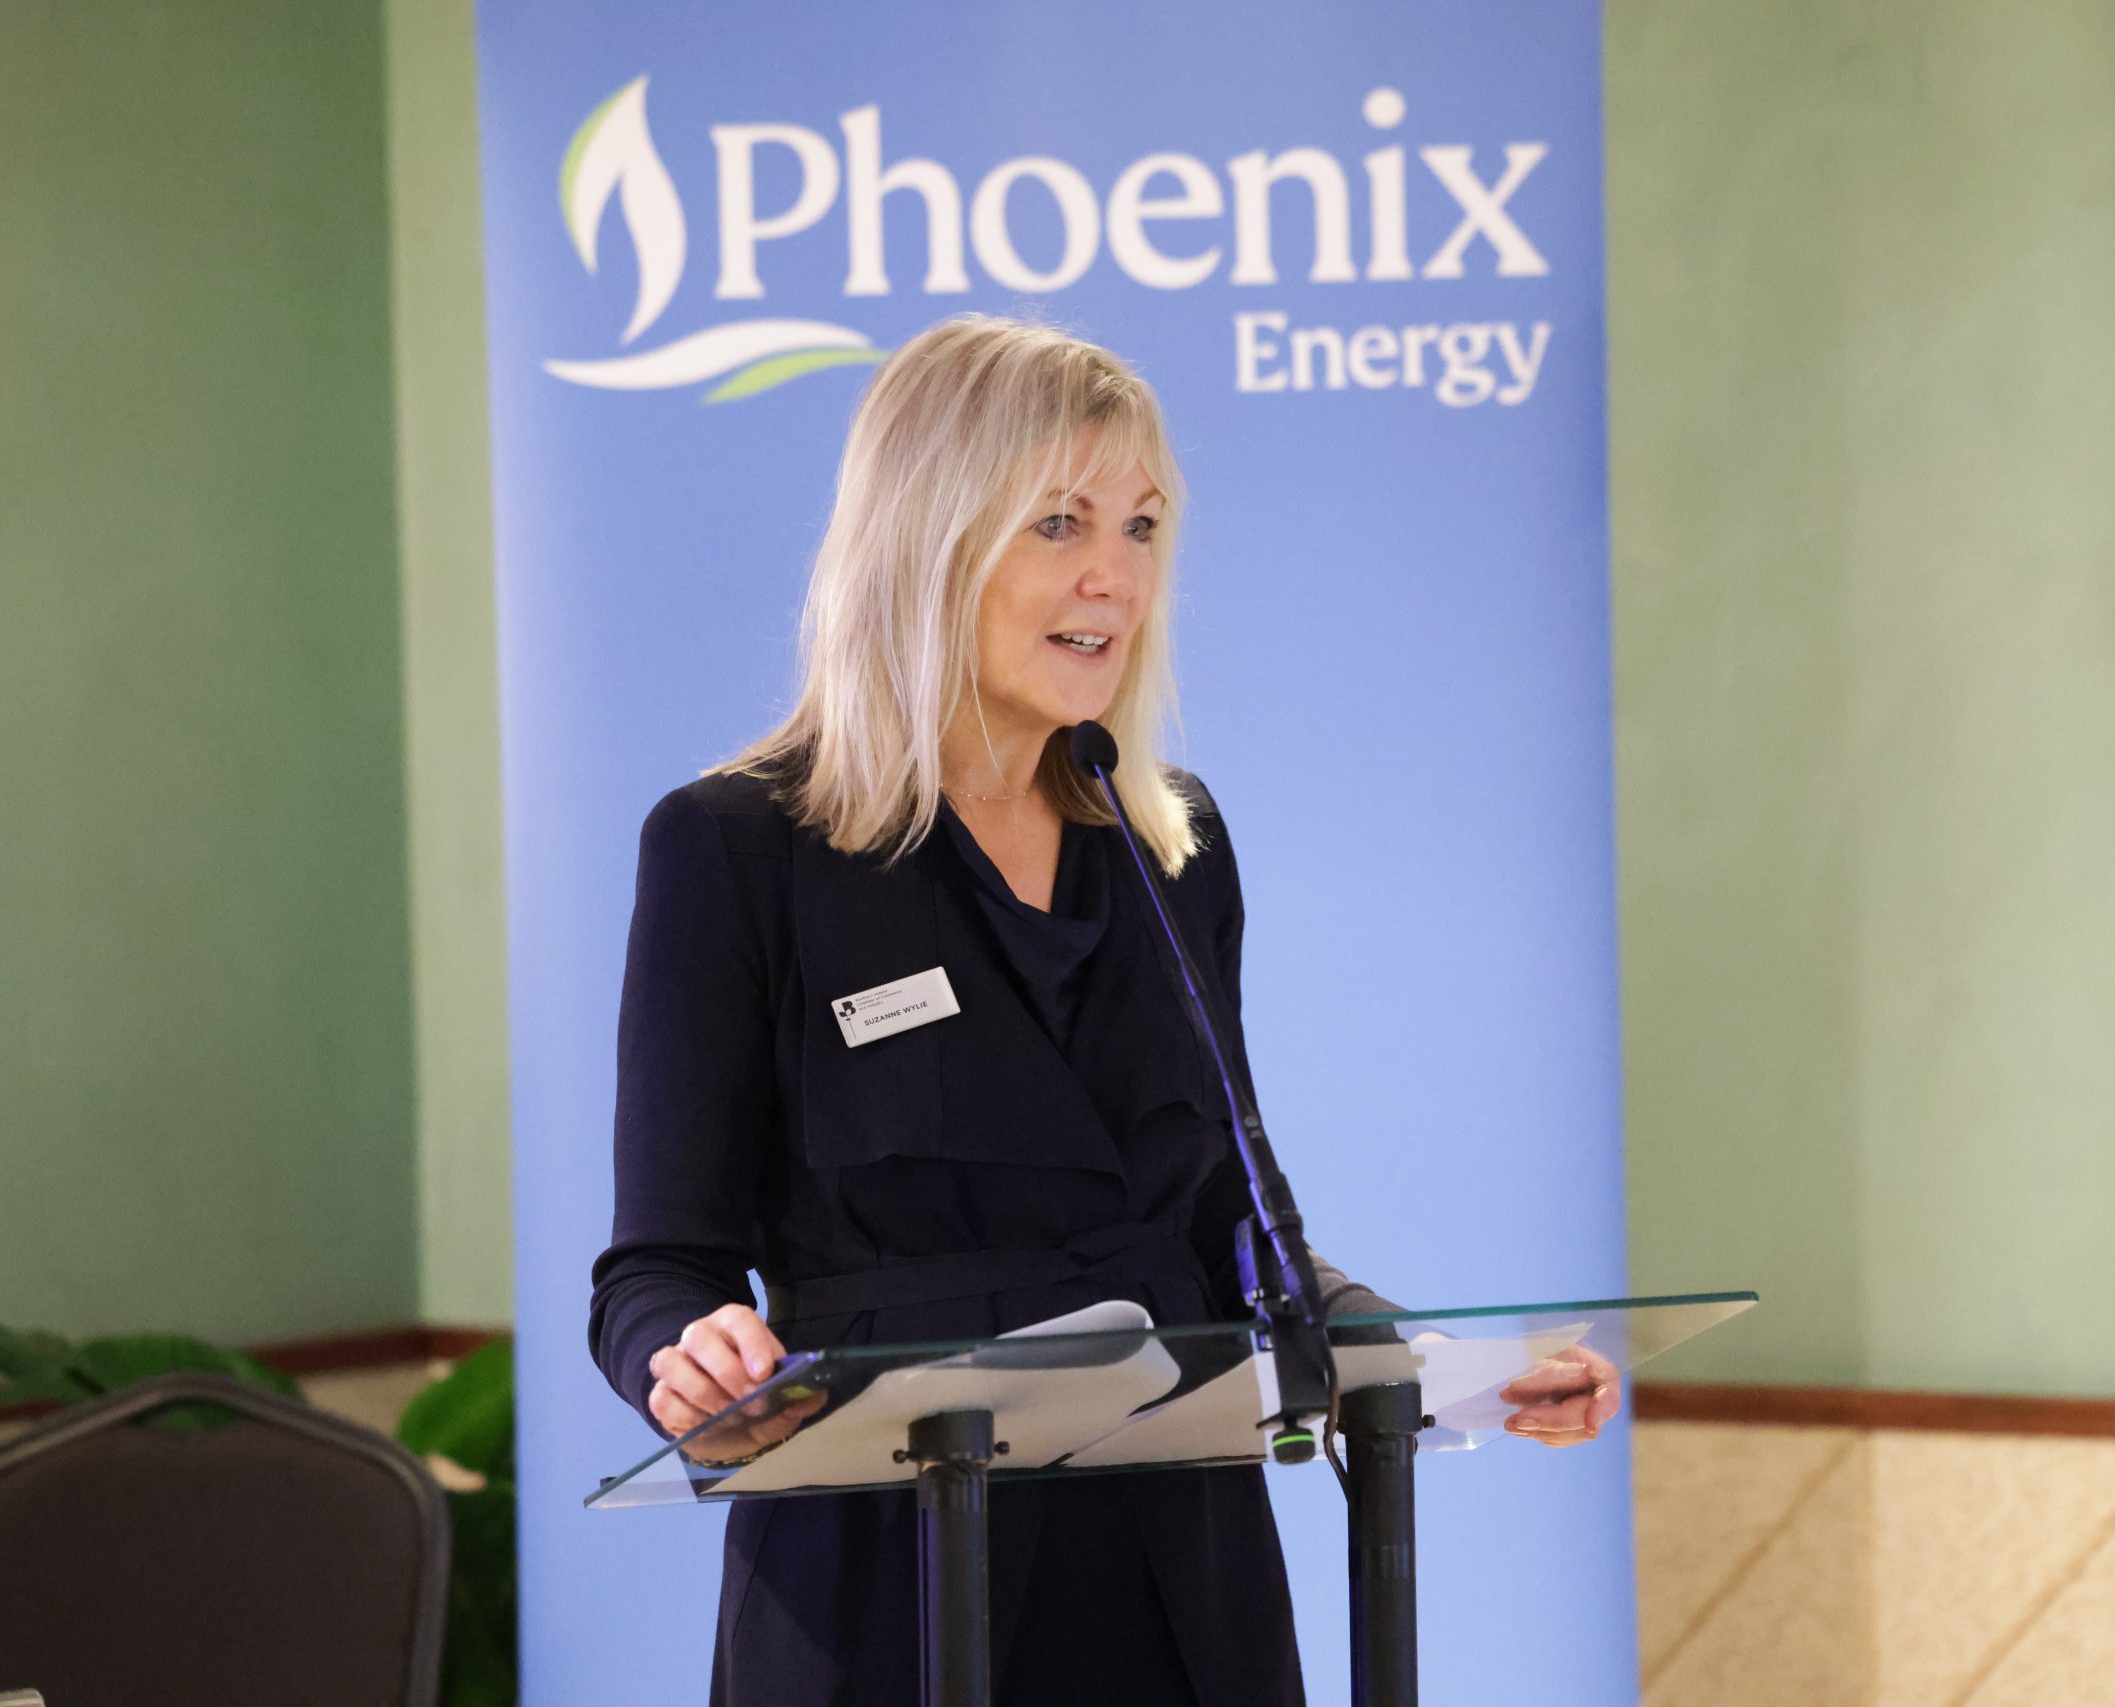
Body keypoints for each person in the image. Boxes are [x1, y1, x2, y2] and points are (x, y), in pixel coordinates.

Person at [588, 313, 1618, 1707]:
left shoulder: (1171, 847)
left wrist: (1427, 1366)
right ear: (931, 538)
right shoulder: (739, 848)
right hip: (890, 1583)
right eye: (1059, 522)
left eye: (1141, 528)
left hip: (1178, 1585)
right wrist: (684, 1351)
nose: (1112, 578)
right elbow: (656, 1269)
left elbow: (1236, 1228)